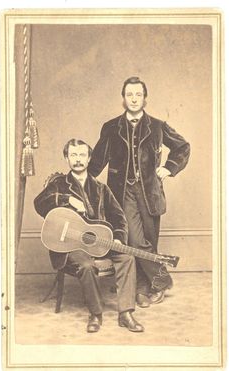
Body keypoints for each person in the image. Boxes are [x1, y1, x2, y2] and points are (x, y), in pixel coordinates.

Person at [88, 76, 190, 308]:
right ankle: (162, 280)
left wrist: (169, 168)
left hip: (150, 193)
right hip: (122, 193)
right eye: (129, 95)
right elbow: (97, 161)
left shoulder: (157, 126)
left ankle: (142, 288)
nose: (133, 99)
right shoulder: (111, 127)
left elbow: (183, 147)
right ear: (123, 98)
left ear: (145, 98)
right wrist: (77, 180)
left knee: (148, 241)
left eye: (138, 95)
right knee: (133, 239)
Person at [34, 138, 144, 333]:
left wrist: (118, 237)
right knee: (86, 265)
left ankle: (125, 313)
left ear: (89, 158)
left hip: (99, 242)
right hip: (70, 246)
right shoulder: (59, 184)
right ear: (67, 158)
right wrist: (67, 199)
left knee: (127, 257)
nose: (78, 159)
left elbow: (119, 218)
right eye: (73, 155)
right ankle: (95, 314)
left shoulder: (101, 188)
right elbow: (39, 203)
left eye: (82, 155)